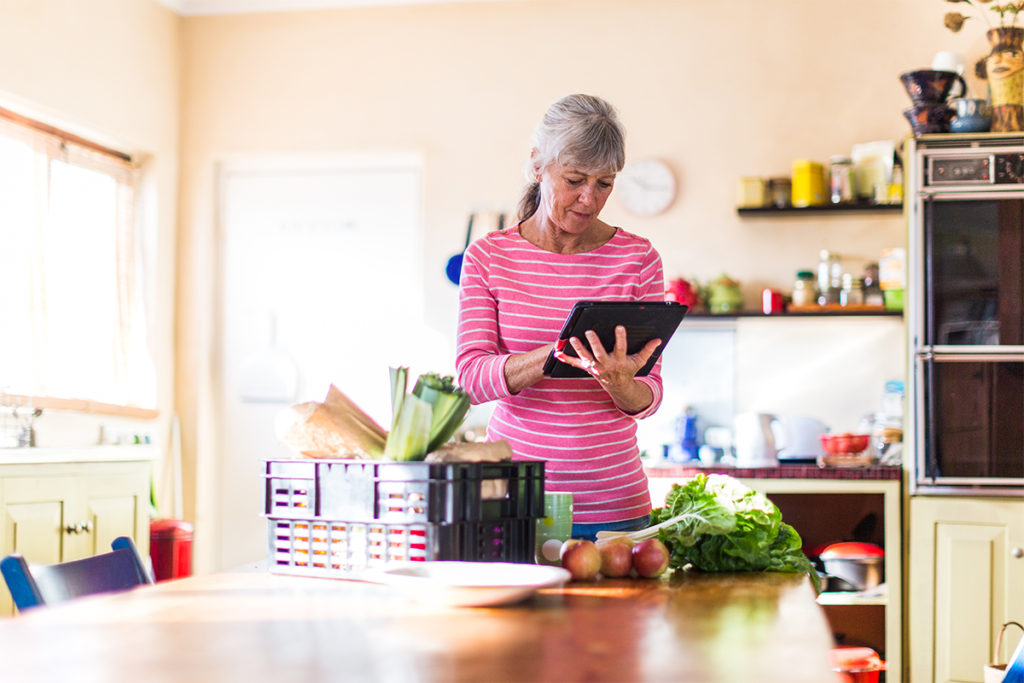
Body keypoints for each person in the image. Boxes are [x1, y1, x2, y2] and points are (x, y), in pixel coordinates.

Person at [455, 93, 667, 541]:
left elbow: (650, 394)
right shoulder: (489, 257)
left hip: (615, 503)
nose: (589, 199)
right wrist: (554, 355)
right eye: (574, 179)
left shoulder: (638, 259)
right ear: (537, 165)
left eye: (605, 183)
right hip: (517, 501)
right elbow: (470, 380)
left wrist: (620, 383)